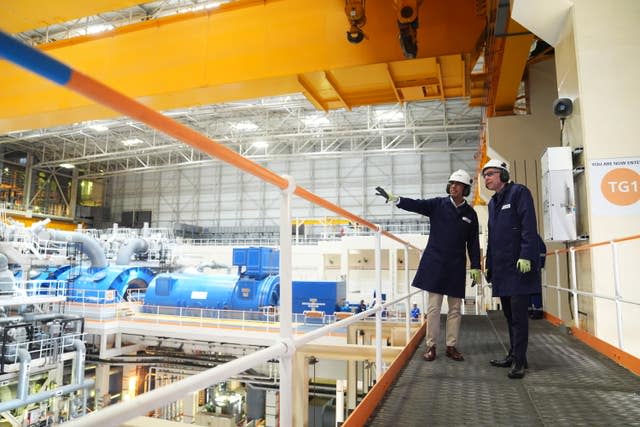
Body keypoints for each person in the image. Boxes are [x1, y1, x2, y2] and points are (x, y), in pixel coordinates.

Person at [375, 169, 481, 362]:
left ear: (465, 189)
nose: (453, 187)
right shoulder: (437, 205)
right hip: (436, 264)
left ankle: (451, 346)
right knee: (433, 308)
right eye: (451, 183)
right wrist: (395, 199)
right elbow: (416, 205)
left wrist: (476, 266)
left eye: (458, 184)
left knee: (455, 309)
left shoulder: (471, 214)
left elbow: (473, 243)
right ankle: (431, 346)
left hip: (457, 266)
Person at [482, 159, 542, 379]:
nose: (486, 178)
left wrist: (526, 255)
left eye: (490, 174)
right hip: (502, 268)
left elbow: (529, 225)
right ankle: (515, 354)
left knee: (518, 316)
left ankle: (519, 362)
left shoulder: (519, 192)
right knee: (508, 315)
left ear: (504, 175)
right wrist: (489, 265)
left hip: (519, 267)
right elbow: (492, 237)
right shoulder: (492, 203)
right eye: (485, 175)